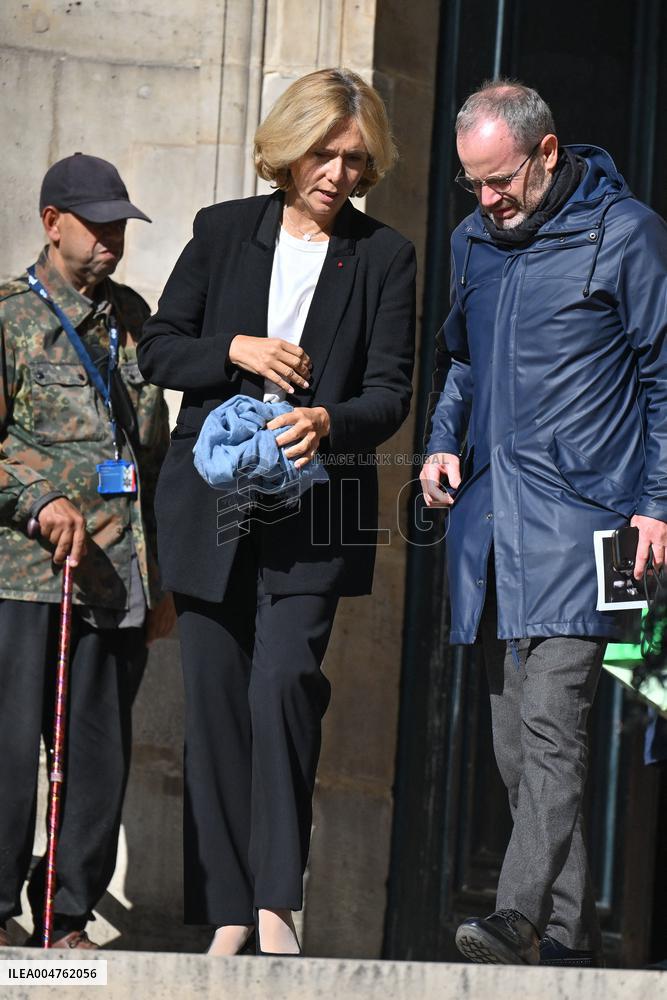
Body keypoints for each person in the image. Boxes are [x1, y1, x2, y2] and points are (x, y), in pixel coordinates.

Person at [138, 68, 415, 956]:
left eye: (355, 161)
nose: (337, 175)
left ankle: (275, 902)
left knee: (284, 685)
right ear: (288, 150)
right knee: (215, 704)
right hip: (212, 499)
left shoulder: (384, 257)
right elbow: (159, 349)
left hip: (314, 505)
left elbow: (390, 393)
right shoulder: (223, 233)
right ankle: (227, 909)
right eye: (323, 155)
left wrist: (327, 421)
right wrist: (233, 348)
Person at [420, 80, 667, 967]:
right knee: (512, 746)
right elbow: (461, 363)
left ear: (548, 151)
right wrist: (440, 443)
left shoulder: (626, 235)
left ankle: (514, 916)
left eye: (500, 180)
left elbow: (663, 380)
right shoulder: (472, 243)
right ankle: (566, 934)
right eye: (472, 184)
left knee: (553, 726)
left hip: (589, 524)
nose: (488, 200)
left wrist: (657, 505)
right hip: (490, 531)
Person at [0, 153, 174, 949]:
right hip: (25, 578)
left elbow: (152, 454)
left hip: (117, 580)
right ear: (50, 222)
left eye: (118, 226)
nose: (111, 239)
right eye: (97, 224)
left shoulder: (136, 318)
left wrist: (159, 574)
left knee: (97, 761)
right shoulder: (9, 317)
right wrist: (39, 497)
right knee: (7, 754)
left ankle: (67, 918)